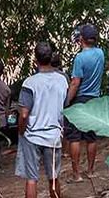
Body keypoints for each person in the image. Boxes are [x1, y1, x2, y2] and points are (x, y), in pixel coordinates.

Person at [15, 42, 68, 198]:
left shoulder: (30, 83)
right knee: (53, 178)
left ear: (35, 60)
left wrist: (21, 131)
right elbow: (64, 108)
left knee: (32, 179)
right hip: (53, 136)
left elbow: (24, 114)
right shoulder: (62, 81)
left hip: (32, 136)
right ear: (51, 57)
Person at [66, 24, 104, 183]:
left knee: (74, 137)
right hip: (94, 99)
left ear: (81, 38)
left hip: (80, 99)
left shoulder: (80, 58)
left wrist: (67, 101)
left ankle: (77, 174)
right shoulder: (101, 53)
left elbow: (75, 83)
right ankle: (91, 170)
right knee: (91, 137)